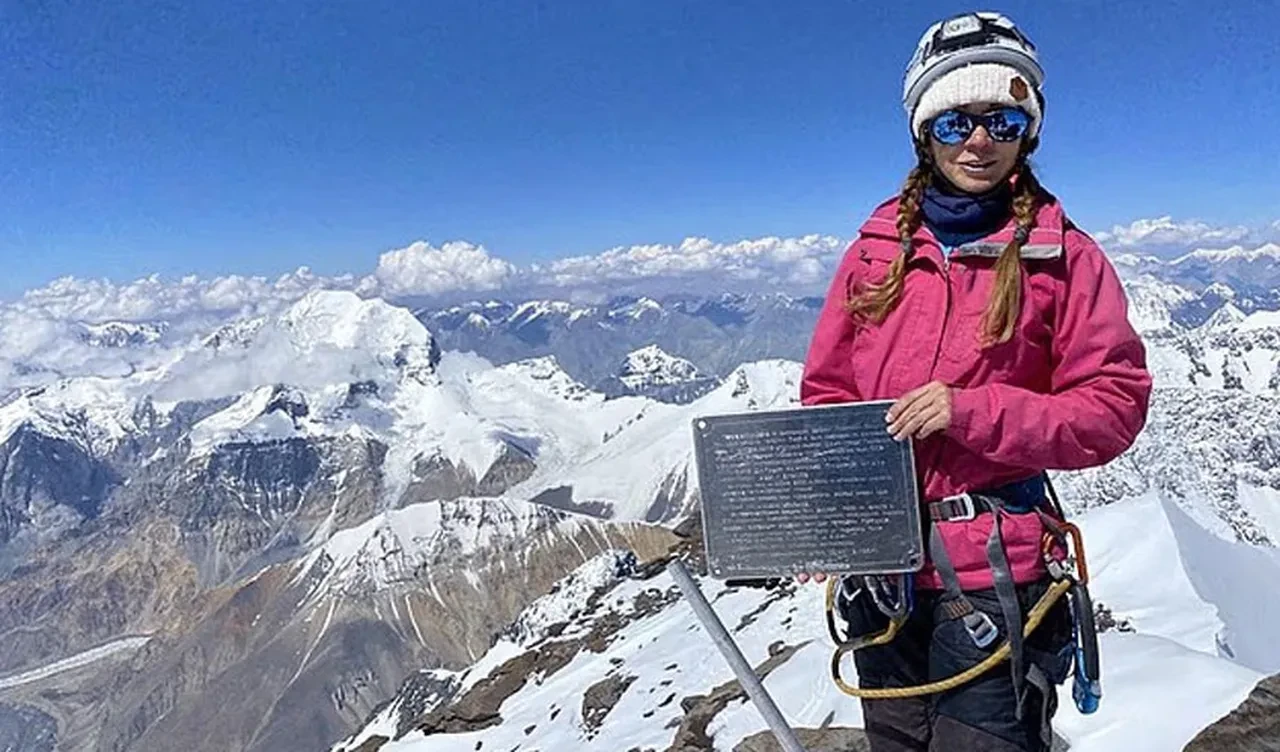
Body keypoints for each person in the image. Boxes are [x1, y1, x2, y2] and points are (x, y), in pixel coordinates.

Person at [797, 11, 1152, 752]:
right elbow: (828, 398)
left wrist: (972, 412)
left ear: (1029, 132)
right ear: (925, 134)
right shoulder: (872, 255)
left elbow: (1112, 409)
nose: (981, 141)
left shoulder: (1065, 259)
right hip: (883, 573)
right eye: (956, 122)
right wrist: (832, 517)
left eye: (1004, 120)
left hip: (998, 575)